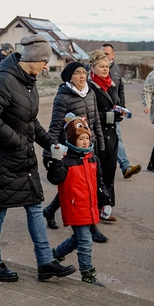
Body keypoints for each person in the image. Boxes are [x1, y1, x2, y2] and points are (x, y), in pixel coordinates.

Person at [0, 34, 76, 282]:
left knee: (34, 206)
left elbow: (30, 122)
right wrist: (17, 141)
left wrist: (51, 142)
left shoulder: (29, 82)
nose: (46, 67)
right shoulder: (5, 80)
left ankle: (45, 262)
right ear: (35, 58)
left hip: (22, 158)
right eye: (45, 62)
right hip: (1, 158)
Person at [42, 61, 108, 243]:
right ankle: (91, 227)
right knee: (77, 187)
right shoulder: (62, 98)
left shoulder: (90, 93)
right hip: (71, 150)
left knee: (88, 184)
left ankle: (49, 210)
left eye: (83, 72)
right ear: (69, 77)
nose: (81, 76)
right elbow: (55, 126)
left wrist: (100, 144)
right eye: (77, 73)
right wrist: (50, 151)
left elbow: (95, 124)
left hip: (90, 146)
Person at [47, 114, 111, 287]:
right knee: (85, 242)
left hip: (89, 206)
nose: (84, 141)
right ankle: (88, 274)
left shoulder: (92, 158)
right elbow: (55, 179)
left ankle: (54, 255)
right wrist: (56, 162)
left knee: (78, 239)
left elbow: (99, 182)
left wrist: (105, 200)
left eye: (86, 138)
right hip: (75, 206)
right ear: (71, 139)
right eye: (80, 138)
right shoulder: (66, 160)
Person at [88, 50, 128, 223]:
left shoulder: (111, 84)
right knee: (98, 173)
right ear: (93, 67)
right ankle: (94, 208)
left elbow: (116, 103)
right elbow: (90, 113)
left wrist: (120, 111)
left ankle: (106, 207)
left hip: (112, 134)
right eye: (102, 67)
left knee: (110, 172)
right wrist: (109, 116)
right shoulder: (89, 87)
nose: (105, 70)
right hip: (97, 135)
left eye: (107, 67)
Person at [101, 44, 141, 179]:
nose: (104, 56)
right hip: (100, 112)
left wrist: (122, 107)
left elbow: (121, 89)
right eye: (102, 53)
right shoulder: (94, 69)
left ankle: (125, 166)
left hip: (114, 112)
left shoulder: (117, 70)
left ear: (113, 55)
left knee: (116, 137)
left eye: (107, 54)